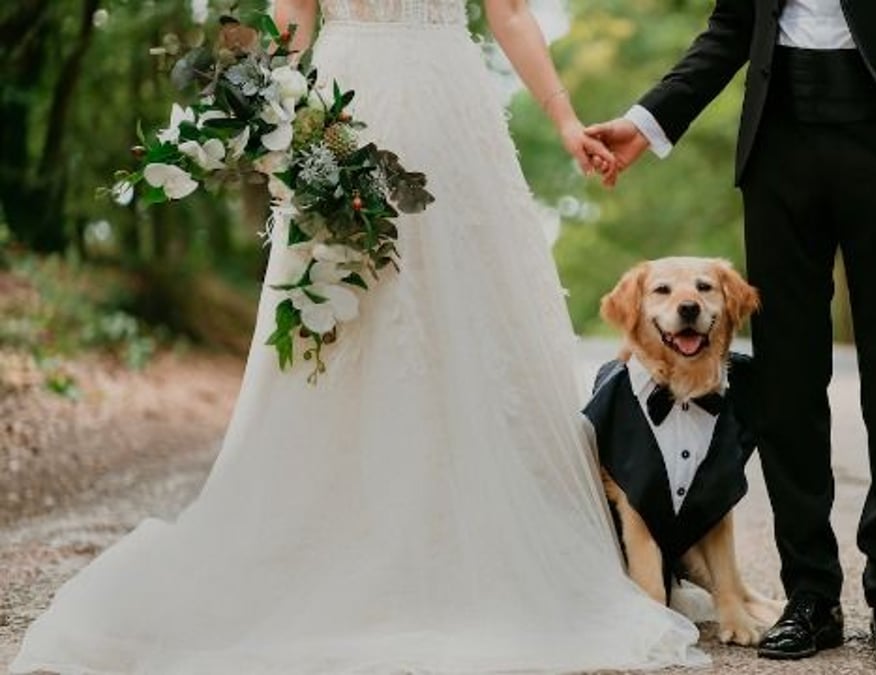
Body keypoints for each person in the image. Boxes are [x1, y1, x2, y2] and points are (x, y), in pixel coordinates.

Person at [8, 1, 705, 672]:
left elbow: (512, 11)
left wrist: (564, 120)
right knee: (346, 317)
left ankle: (478, 548)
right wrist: (244, 112)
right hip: (344, 115)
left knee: (470, 318)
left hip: (455, 120)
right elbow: (292, 16)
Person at [586, 0, 876, 670]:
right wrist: (646, 122)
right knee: (785, 384)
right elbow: (731, 30)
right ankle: (811, 596)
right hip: (780, 143)